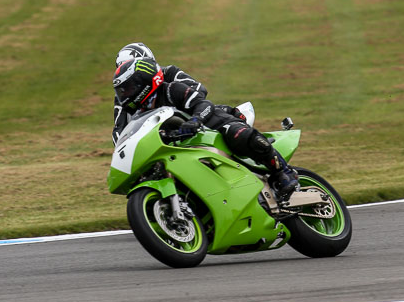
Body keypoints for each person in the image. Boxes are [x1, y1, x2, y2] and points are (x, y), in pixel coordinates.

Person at [112, 45, 299, 198]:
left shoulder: (170, 80)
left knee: (237, 132)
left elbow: (199, 93)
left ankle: (283, 172)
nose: (125, 92)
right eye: (123, 88)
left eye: (129, 86)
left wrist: (194, 120)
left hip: (199, 118)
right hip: (167, 136)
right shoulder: (128, 100)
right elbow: (119, 131)